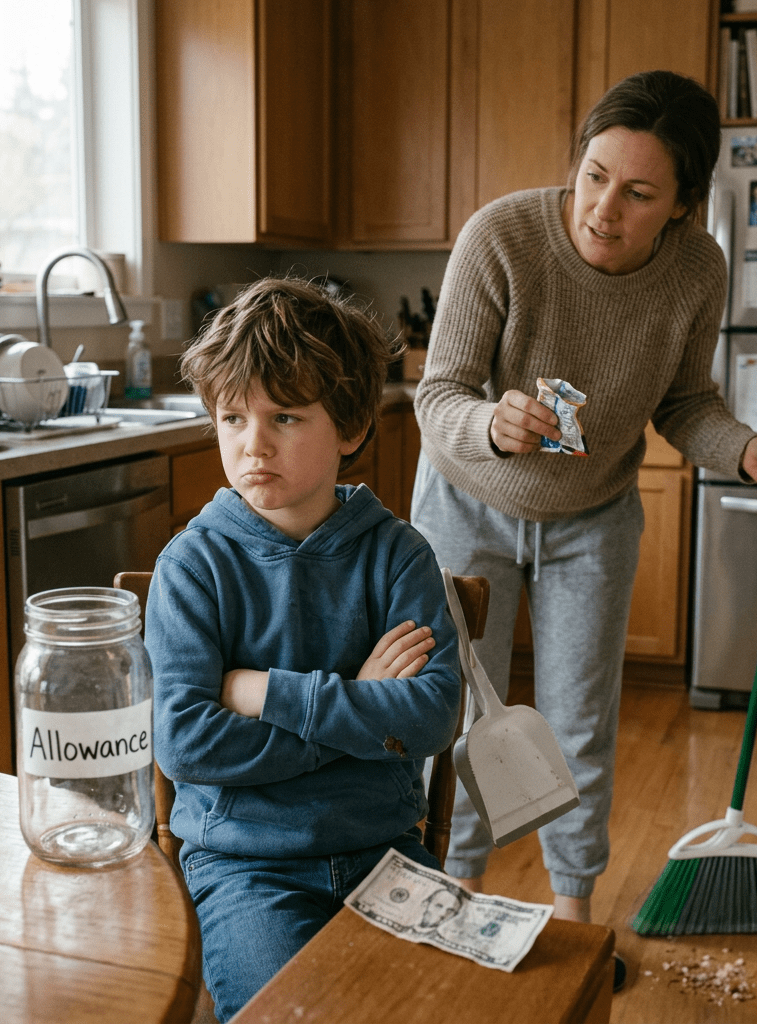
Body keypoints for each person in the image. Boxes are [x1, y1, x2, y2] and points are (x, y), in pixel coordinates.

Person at [409, 69, 757, 992]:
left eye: (639, 192)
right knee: (455, 712)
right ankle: (455, 899)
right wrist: (489, 422)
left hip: (590, 517)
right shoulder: (501, 237)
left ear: (683, 208)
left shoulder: (697, 270)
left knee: (578, 725)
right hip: (465, 503)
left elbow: (687, 405)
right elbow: (438, 394)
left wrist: (745, 447)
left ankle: (574, 924)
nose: (604, 208)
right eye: (594, 174)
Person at [146, 276, 462, 1020]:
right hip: (246, 866)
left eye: (284, 416)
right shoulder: (192, 566)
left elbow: (428, 719)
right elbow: (187, 743)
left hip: (388, 853)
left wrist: (268, 694)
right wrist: (356, 706)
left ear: (350, 426)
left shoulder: (399, 556)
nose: (252, 445)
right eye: (232, 418)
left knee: (454, 1007)